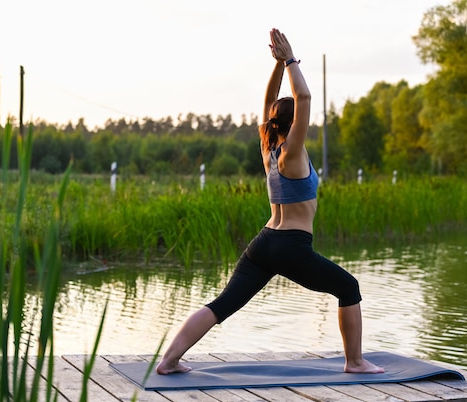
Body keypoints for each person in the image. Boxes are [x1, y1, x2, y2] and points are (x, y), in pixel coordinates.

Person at [155, 28, 384, 375]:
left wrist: (277, 66)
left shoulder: (269, 148)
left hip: (264, 243)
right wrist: (291, 59)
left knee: (223, 304)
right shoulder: (292, 153)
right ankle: (354, 362)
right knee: (348, 287)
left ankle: (169, 361)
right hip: (292, 245)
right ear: (296, 126)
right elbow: (303, 98)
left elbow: (268, 104)